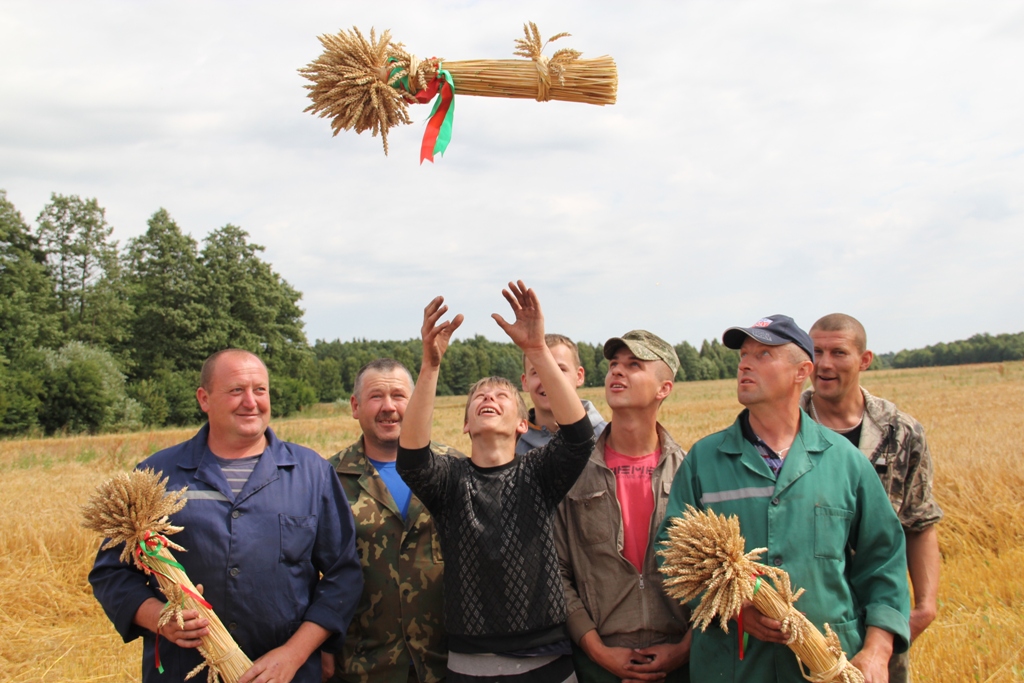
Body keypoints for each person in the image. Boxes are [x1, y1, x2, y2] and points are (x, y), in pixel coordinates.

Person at [656, 315, 910, 683]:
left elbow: (883, 560)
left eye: (763, 354)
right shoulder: (704, 460)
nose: (745, 363)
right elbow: (671, 551)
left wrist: (877, 649)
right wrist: (736, 607)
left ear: (801, 371)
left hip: (828, 666)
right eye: (744, 354)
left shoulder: (845, 461)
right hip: (733, 667)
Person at [89, 349, 363, 683]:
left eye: (260, 390)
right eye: (236, 390)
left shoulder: (311, 472)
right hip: (183, 673)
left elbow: (343, 575)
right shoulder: (156, 476)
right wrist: (159, 617)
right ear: (204, 399)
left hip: (286, 675)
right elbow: (111, 573)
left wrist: (295, 653)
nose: (251, 401)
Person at [396, 281, 596, 683]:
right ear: (467, 424)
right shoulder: (451, 481)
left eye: (503, 395)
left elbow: (579, 436)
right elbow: (413, 459)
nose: (489, 397)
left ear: (523, 425)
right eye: (479, 396)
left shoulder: (537, 473)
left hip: (548, 664)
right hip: (470, 667)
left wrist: (537, 350)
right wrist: (430, 366)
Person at [802, 313, 943, 683]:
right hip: (806, 618)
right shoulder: (783, 425)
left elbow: (919, 521)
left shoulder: (900, 431)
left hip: (880, 612)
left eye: (839, 352)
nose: (825, 364)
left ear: (864, 360)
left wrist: (925, 606)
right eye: (816, 351)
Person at [555, 330, 691, 682]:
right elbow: (557, 572)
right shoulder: (573, 472)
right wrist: (598, 651)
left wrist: (683, 650)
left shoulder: (690, 473)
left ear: (664, 388)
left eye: (634, 365)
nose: (617, 371)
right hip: (598, 664)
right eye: (614, 364)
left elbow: (717, 574)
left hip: (680, 661)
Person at [325, 358, 449, 683]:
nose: (389, 407)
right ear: (355, 406)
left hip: (447, 662)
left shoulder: (453, 468)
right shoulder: (326, 479)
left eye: (399, 396)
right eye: (376, 397)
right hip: (364, 666)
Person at [517, 334, 607, 455]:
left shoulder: (608, 438)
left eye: (560, 370)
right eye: (537, 371)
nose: (548, 379)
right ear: (525, 382)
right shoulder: (511, 444)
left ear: (579, 376)